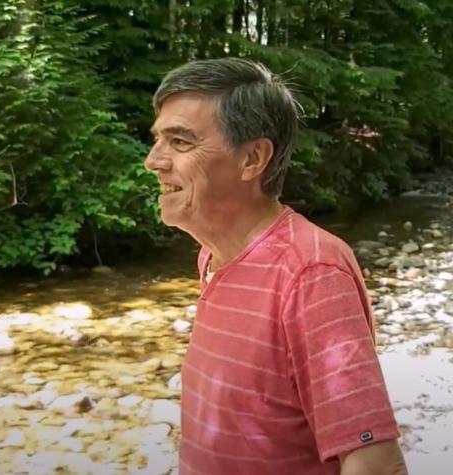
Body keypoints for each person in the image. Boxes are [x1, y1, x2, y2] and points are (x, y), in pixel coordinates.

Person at [144, 58, 408, 475]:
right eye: (157, 140)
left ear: (252, 158)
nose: (153, 161)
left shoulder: (312, 271)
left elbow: (375, 462)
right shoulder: (213, 256)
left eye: (179, 143)